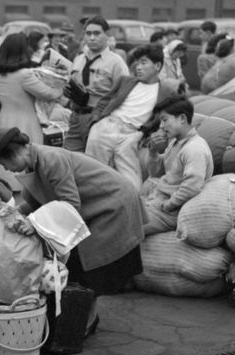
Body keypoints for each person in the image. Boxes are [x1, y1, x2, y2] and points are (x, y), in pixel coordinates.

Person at [0, 126, 145, 333]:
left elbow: (70, 203)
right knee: (80, 266)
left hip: (112, 204)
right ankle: (82, 319)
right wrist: (13, 213)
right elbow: (34, 200)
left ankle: (86, 321)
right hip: (96, 207)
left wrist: (34, 223)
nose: (5, 168)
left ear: (13, 153)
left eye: (4, 163)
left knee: (87, 265)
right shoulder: (35, 161)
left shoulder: (50, 159)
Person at [84, 44, 177, 190]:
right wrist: (96, 121)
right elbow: (105, 101)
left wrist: (144, 134)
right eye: (137, 63)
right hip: (108, 125)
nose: (138, 67)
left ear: (157, 66)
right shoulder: (125, 81)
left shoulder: (166, 92)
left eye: (144, 63)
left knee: (133, 186)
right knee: (93, 176)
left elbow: (168, 119)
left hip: (132, 134)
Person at [142, 96, 213, 235]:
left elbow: (192, 187)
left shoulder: (194, 149)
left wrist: (168, 205)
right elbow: (155, 173)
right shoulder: (175, 143)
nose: (161, 126)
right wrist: (152, 151)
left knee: (125, 227)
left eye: (164, 120)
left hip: (170, 212)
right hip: (157, 202)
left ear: (182, 119)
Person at [63, 16, 129, 152]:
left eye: (97, 33)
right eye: (88, 34)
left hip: (99, 120)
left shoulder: (116, 62)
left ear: (107, 35)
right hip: (76, 118)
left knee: (95, 164)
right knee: (69, 159)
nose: (92, 38)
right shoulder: (79, 59)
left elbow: (124, 94)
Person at [0, 32, 63, 146]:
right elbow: (49, 94)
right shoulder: (24, 75)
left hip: (4, 120)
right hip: (26, 124)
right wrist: (62, 87)